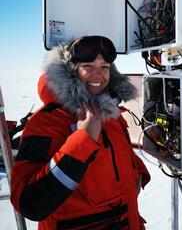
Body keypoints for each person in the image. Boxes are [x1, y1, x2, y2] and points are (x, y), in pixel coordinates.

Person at [11, 35, 150, 230]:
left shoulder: (110, 114)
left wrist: (137, 174)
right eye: (89, 66)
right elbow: (28, 203)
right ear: (71, 71)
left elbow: (117, 155)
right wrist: (83, 140)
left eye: (104, 67)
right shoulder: (47, 123)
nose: (98, 75)